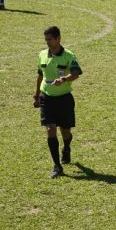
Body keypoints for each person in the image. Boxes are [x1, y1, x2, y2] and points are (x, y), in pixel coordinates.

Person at [34, 26, 83, 179]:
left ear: (58, 39)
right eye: (46, 40)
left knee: (65, 131)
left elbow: (76, 73)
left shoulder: (68, 55)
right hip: (46, 98)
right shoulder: (42, 55)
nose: (47, 42)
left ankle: (66, 147)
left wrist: (63, 79)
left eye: (50, 39)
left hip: (64, 99)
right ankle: (57, 165)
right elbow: (40, 75)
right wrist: (36, 95)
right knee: (50, 130)